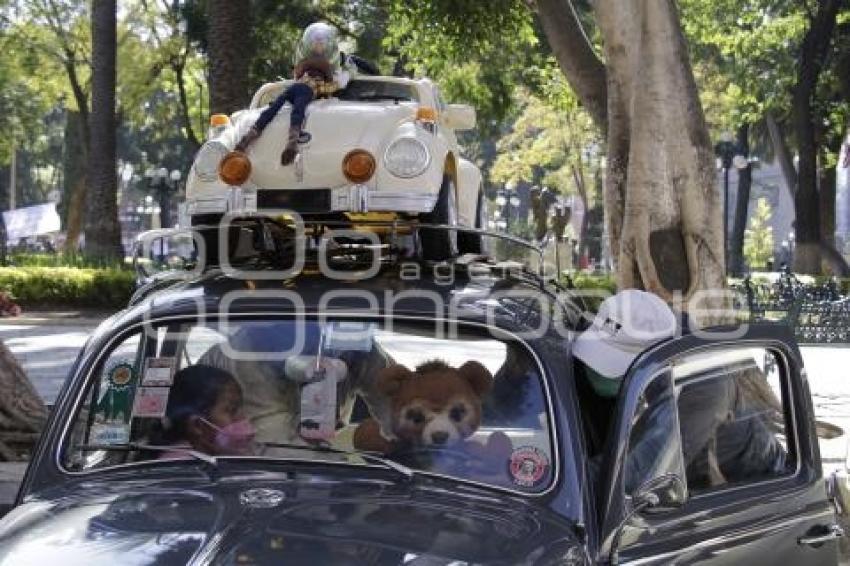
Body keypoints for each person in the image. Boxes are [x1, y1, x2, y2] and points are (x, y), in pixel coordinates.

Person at [572, 289, 785, 493]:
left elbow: (639, 472)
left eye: (615, 360)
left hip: (753, 489)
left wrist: (564, 481)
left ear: (655, 357)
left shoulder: (703, 386)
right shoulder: (636, 334)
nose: (595, 370)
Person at [235, 22, 349, 165]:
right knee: (296, 114)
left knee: (272, 109)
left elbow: (310, 81)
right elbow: (326, 89)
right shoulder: (318, 81)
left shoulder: (302, 76)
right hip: (303, 91)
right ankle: (291, 144)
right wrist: (339, 83)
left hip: (294, 89)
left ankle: (247, 139)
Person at [157, 364, 256, 457]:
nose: (243, 420)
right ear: (197, 425)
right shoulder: (182, 467)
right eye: (232, 411)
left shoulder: (212, 459)